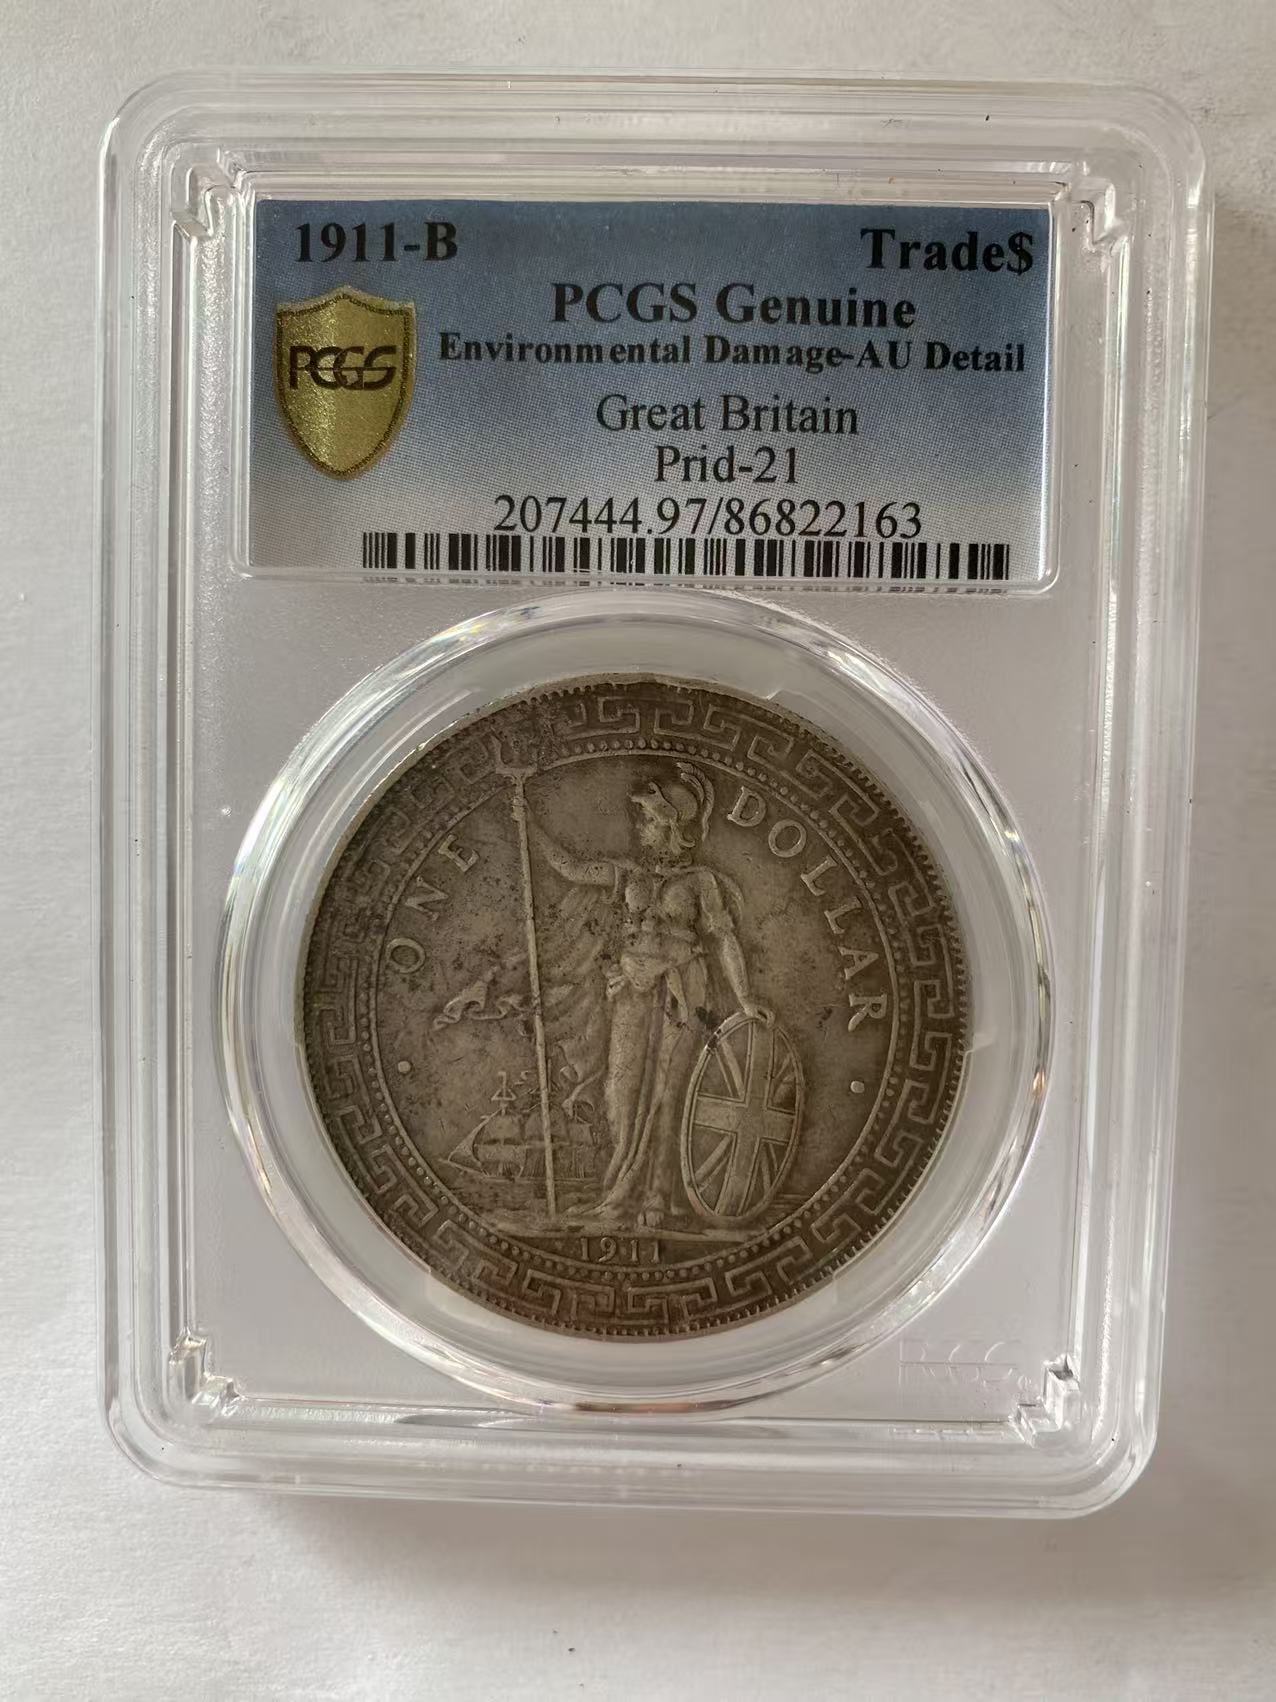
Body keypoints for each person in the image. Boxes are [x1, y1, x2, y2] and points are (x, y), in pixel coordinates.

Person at [516, 763, 761, 1229]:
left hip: (683, 990)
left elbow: (725, 938)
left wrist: (745, 997)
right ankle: (617, 1194)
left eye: (649, 820)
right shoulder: (627, 874)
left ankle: (656, 1198)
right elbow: (570, 868)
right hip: (629, 990)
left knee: (668, 1093)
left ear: (673, 826)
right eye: (642, 819)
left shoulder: (701, 882)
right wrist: (526, 821)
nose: (640, 827)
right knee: (620, 1090)